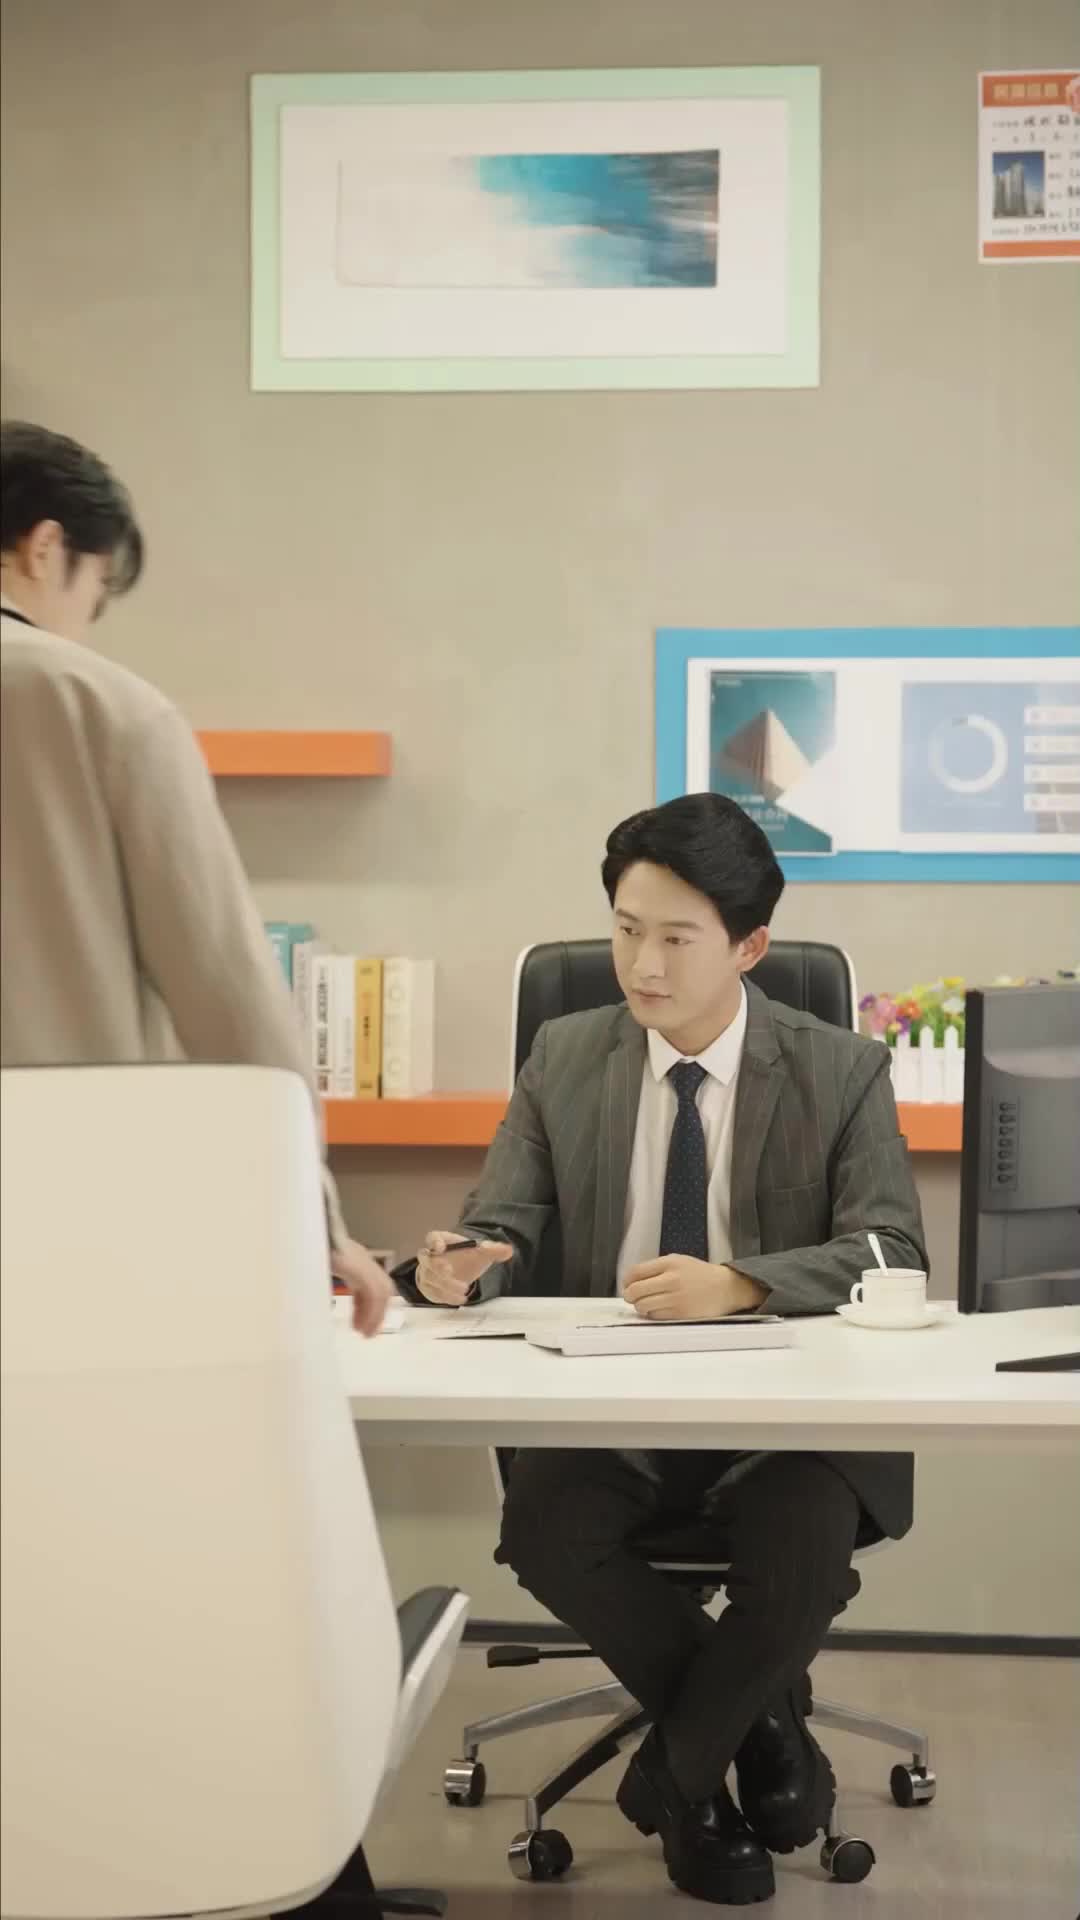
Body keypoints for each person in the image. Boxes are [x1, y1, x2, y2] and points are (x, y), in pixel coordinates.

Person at [403, 792, 927, 1908]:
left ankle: (678, 1782)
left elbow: (890, 1246)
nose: (642, 965)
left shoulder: (841, 1069)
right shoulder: (565, 1054)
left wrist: (741, 1284)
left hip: (792, 1418)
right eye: (626, 930)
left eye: (677, 938)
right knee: (545, 1528)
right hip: (611, 1408)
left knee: (799, 1547)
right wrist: (462, 1262)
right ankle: (762, 1732)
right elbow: (503, 1223)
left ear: (750, 948)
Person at [0, 420, 390, 1334]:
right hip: (61, 1207)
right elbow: (223, 987)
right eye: (95, 593)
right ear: (45, 547)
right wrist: (310, 1211)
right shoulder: (99, 706)